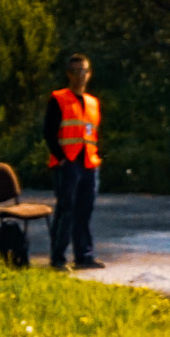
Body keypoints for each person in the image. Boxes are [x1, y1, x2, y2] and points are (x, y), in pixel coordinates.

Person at [43, 54, 105, 269]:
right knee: (66, 210)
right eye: (76, 71)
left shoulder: (93, 102)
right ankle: (58, 258)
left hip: (88, 162)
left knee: (84, 211)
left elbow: (93, 133)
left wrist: (96, 158)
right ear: (69, 74)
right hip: (68, 163)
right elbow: (49, 132)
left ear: (90, 74)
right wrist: (60, 159)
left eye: (84, 71)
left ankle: (84, 256)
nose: (81, 76)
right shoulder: (59, 98)